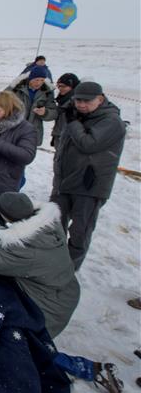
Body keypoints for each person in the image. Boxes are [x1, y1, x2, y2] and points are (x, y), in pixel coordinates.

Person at [0, 192, 123, 393]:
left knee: (14, 348)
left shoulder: (24, 249)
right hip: (63, 291)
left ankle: (87, 369)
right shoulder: (47, 222)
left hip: (48, 308)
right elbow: (18, 204)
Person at [50, 81, 126, 271]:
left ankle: (68, 270)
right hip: (64, 181)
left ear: (100, 99)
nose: (81, 105)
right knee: (54, 223)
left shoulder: (111, 121)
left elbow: (88, 144)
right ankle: (51, 264)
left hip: (89, 185)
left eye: (87, 101)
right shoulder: (77, 114)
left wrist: (73, 123)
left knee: (80, 231)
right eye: (78, 101)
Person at [7, 66, 57, 145]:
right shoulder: (15, 88)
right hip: (13, 129)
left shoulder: (47, 92)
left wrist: (45, 113)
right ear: (30, 78)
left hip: (32, 133)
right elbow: (1, 103)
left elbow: (54, 112)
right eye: (36, 80)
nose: (39, 83)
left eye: (42, 80)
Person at [50, 73, 79, 147]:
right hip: (60, 136)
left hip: (69, 139)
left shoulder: (76, 102)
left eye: (63, 86)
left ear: (72, 86)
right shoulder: (63, 99)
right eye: (59, 86)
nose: (60, 88)